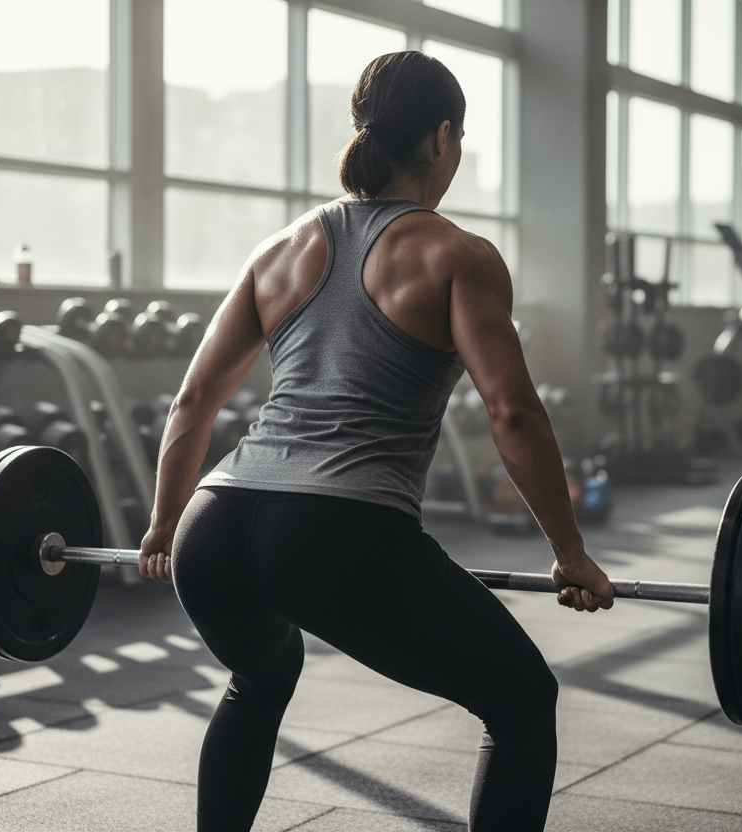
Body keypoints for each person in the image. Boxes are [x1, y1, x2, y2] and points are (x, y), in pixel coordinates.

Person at [138, 50, 615, 832]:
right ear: (441, 138)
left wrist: (164, 524)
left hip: (213, 526)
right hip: (334, 531)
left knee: (259, 679)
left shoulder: (279, 250)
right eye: (460, 141)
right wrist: (570, 551)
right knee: (522, 699)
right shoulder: (458, 255)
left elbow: (194, 400)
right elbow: (512, 412)